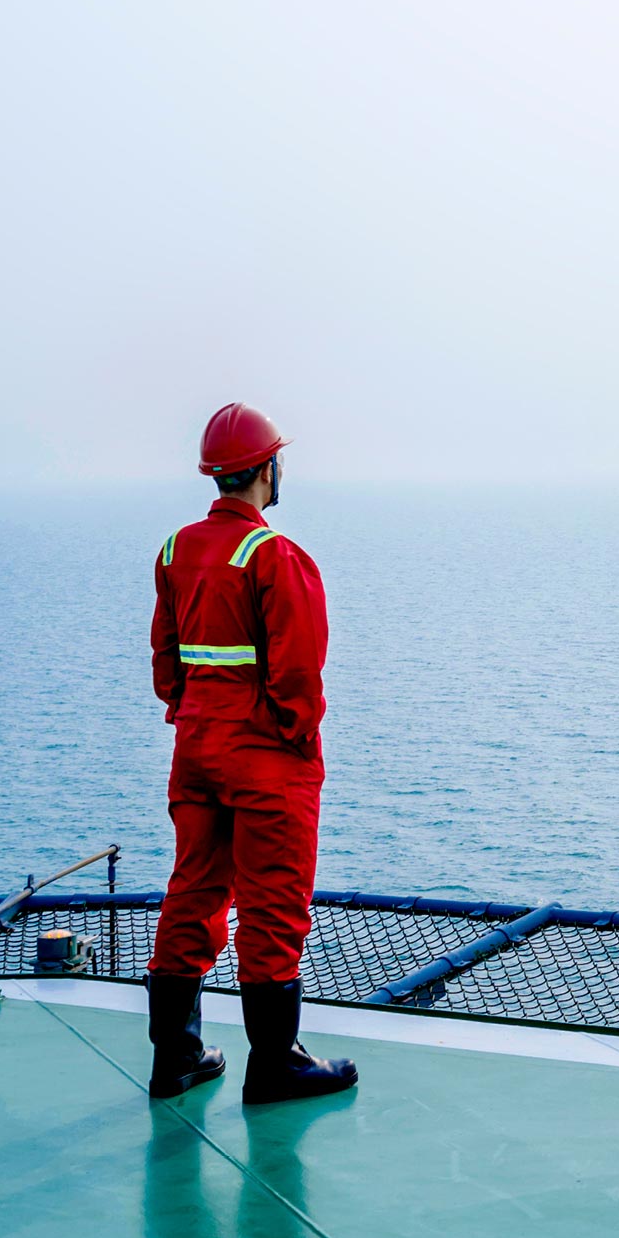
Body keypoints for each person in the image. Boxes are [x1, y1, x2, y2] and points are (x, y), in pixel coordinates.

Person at [145, 402, 358, 1105]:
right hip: (263, 754)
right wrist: (294, 738)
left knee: (194, 890)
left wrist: (191, 711)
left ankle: (175, 1057)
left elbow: (165, 663)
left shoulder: (176, 550)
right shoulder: (274, 556)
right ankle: (274, 1063)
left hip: (196, 743)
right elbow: (299, 671)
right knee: (272, 903)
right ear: (267, 469)